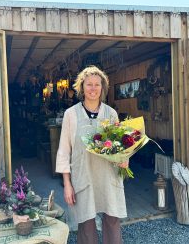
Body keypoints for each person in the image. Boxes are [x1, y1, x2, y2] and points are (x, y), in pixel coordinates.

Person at [56, 66, 128, 244]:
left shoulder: (110, 114)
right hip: (83, 176)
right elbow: (64, 151)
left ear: (102, 88)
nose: (93, 88)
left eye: (97, 84)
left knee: (112, 219)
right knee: (86, 223)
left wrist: (124, 158)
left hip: (108, 176)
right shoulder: (71, 115)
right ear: (81, 87)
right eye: (89, 84)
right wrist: (67, 184)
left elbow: (120, 146)